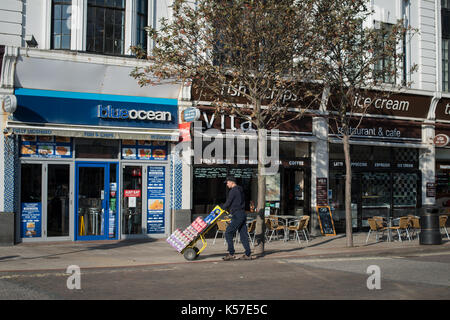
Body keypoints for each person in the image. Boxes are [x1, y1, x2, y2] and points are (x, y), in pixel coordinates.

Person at [221, 176, 252, 261]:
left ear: (232, 182)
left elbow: (228, 202)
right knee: (243, 235)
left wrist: (221, 208)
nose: (227, 184)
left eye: (227, 182)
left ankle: (231, 253)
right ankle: (248, 254)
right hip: (242, 213)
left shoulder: (233, 191)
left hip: (237, 215)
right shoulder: (240, 190)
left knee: (228, 232)